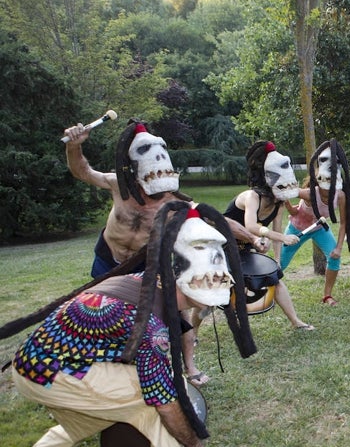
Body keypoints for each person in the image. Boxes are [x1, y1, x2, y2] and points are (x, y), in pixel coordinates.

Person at [0, 202, 256, 447]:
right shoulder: (151, 328)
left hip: (31, 367)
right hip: (55, 373)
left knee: (79, 425)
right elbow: (163, 400)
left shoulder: (142, 284)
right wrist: (196, 446)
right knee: (156, 403)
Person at [64, 118, 265, 385]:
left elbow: (217, 219)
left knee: (176, 315)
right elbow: (83, 172)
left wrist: (251, 236)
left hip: (147, 263)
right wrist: (74, 147)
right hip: (107, 260)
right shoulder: (119, 185)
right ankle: (90, 369)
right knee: (96, 312)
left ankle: (190, 368)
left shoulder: (174, 201)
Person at [224, 141, 313, 330]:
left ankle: (295, 322)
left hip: (245, 247)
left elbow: (277, 231)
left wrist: (278, 260)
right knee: (212, 289)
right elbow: (251, 225)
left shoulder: (279, 202)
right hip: (221, 245)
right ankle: (194, 332)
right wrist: (280, 238)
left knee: (275, 279)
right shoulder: (251, 197)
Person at [279, 140, 350, 307]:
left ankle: (327, 296)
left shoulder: (341, 195)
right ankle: (265, 291)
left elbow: (344, 223)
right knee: (280, 264)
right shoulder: (309, 194)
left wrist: (338, 248)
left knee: (334, 257)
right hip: (297, 229)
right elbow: (287, 193)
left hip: (319, 229)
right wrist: (286, 202)